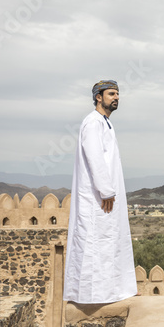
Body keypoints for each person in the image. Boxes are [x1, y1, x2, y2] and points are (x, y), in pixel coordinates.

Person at [63, 80, 138, 304]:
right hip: (97, 198)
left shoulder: (105, 123)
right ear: (98, 97)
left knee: (110, 241)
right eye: (111, 93)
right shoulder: (93, 122)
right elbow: (95, 157)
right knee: (95, 242)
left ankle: (113, 291)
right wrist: (106, 191)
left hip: (105, 197)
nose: (116, 97)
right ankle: (92, 295)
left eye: (117, 94)